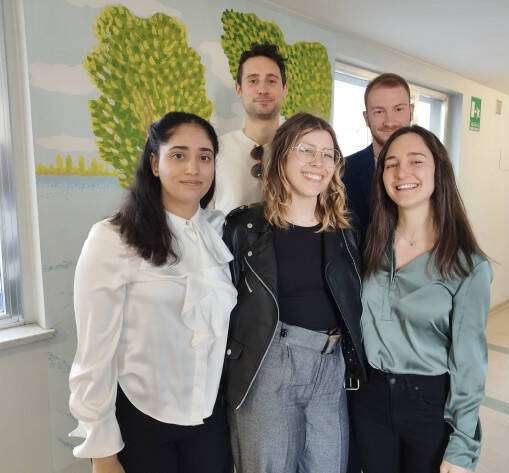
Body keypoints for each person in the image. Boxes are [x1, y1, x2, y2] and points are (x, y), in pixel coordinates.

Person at [68, 112, 237, 473]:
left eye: (204, 156)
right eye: (178, 155)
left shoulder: (219, 232)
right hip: (142, 420)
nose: (193, 167)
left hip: (209, 418)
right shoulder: (112, 239)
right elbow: (93, 354)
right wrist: (103, 452)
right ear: (154, 164)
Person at [222, 112, 367, 473]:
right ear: (282, 156)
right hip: (269, 364)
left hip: (330, 366)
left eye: (328, 154)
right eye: (306, 150)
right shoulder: (245, 226)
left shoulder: (346, 229)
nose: (318, 162)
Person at [351, 125, 492, 473]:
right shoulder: (367, 246)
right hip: (368, 399)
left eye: (416, 161)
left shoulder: (468, 266)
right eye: (391, 164)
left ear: (438, 172)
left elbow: (470, 364)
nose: (402, 173)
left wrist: (463, 447)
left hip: (429, 406)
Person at [214, 43, 288, 214]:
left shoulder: (300, 153)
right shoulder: (215, 150)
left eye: (271, 81)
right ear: (239, 89)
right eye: (253, 81)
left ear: (284, 89)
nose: (262, 89)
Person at [342, 73, 414, 236]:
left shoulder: (434, 169)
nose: (390, 121)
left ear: (411, 111)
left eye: (398, 109)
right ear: (366, 118)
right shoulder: (342, 172)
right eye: (379, 112)